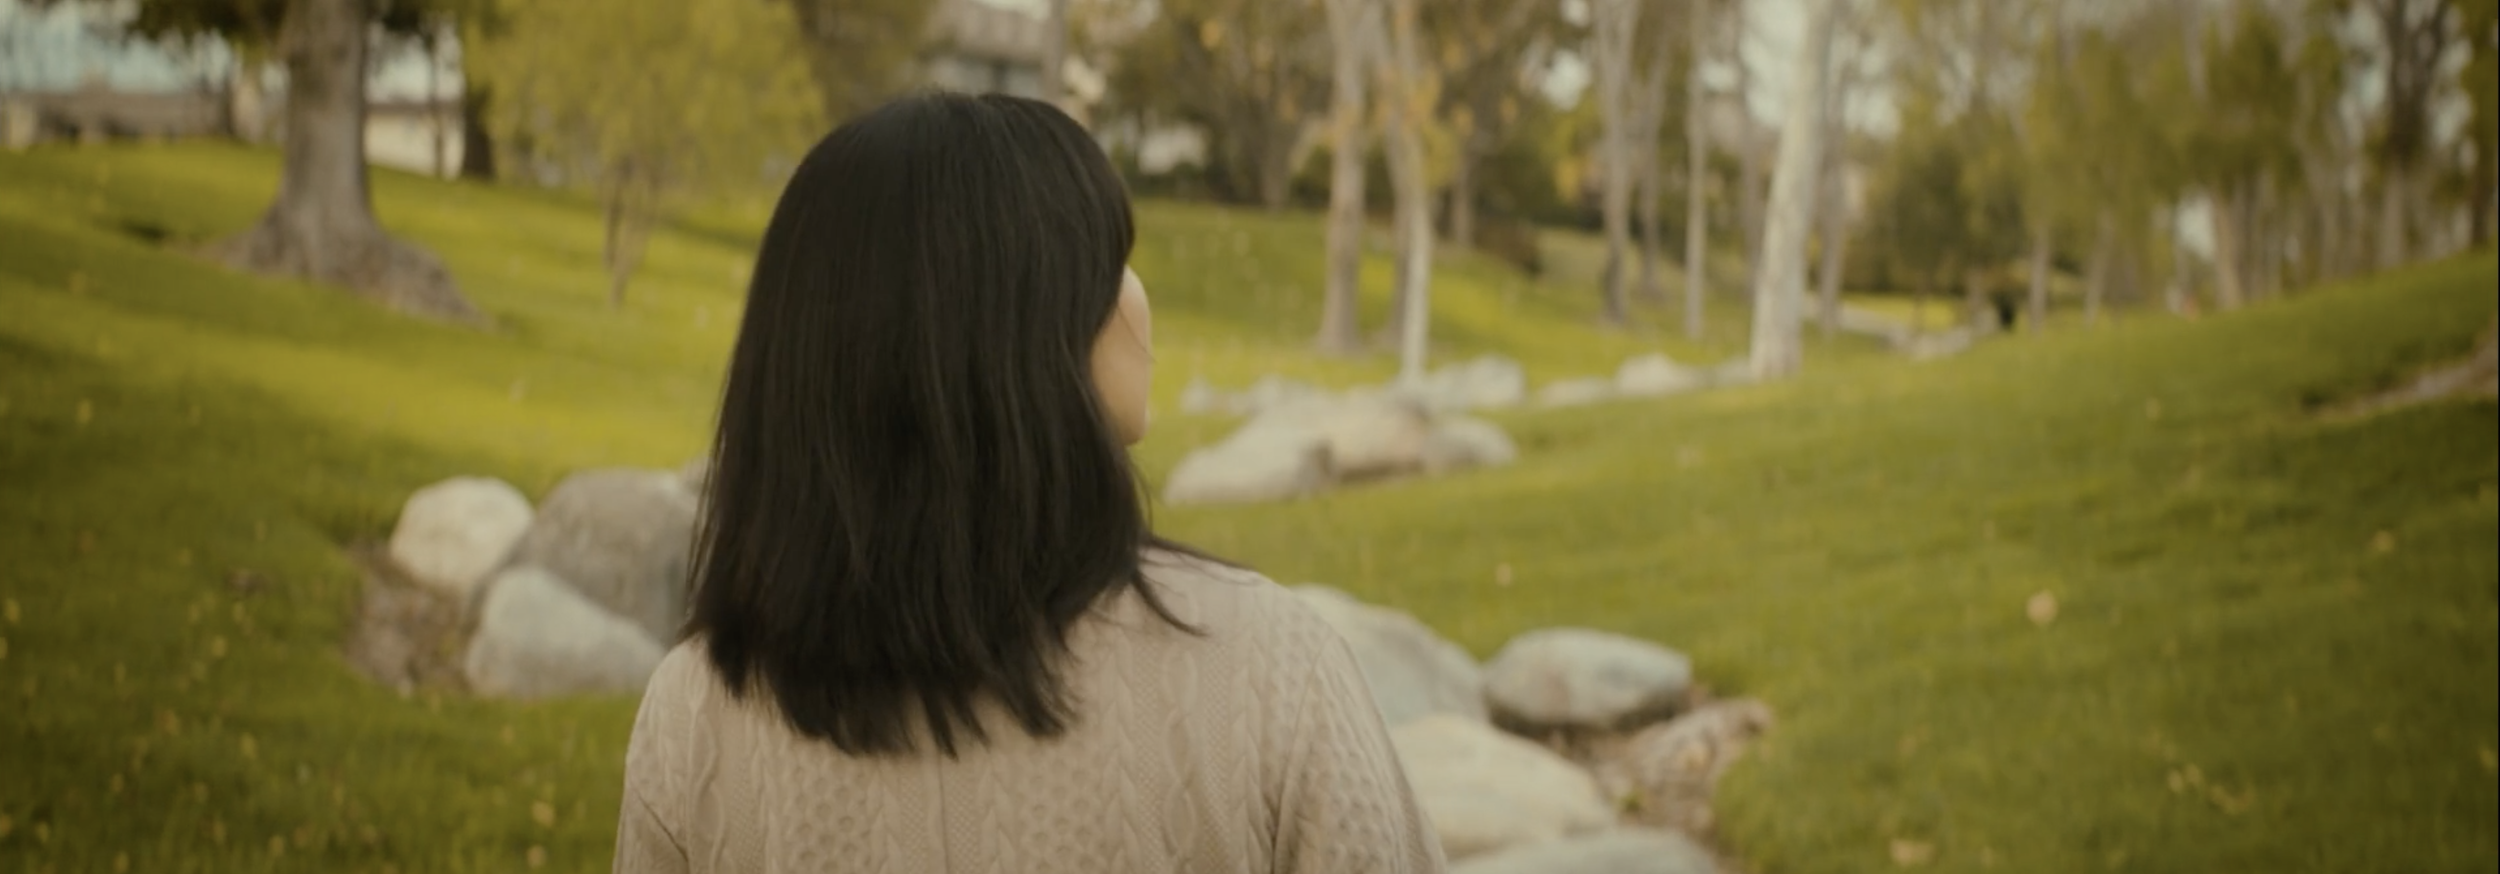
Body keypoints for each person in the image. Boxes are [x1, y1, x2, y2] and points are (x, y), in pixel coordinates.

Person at [614, 92, 1446, 874]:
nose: (1136, 297)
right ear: (1017, 334)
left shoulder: (696, 720)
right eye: (1110, 262)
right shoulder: (1268, 671)